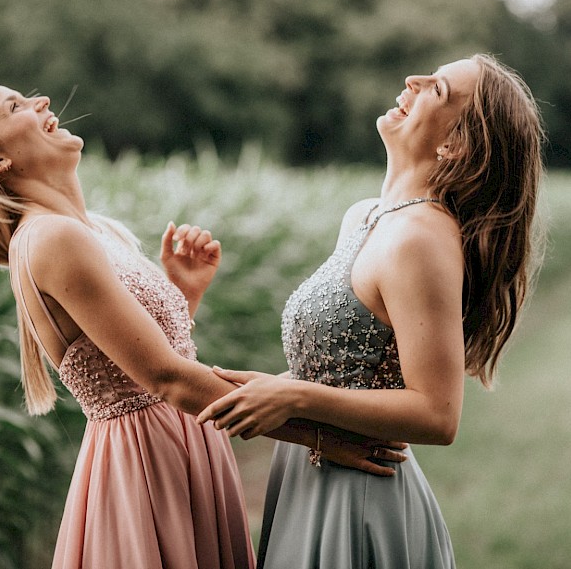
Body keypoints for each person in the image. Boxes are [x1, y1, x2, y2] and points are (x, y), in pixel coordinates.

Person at [0, 57, 406, 569]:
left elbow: (130, 358)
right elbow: (165, 378)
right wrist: (317, 436)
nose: (41, 100)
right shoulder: (49, 238)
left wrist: (181, 291)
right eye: (14, 105)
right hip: (146, 463)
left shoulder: (95, 231)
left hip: (180, 440)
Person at [198, 54, 546, 568]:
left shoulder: (422, 239)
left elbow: (437, 413)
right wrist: (273, 387)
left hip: (360, 496)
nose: (414, 80)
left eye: (438, 88)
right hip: (307, 472)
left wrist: (292, 395)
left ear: (456, 144)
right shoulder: (365, 216)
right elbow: (351, 366)